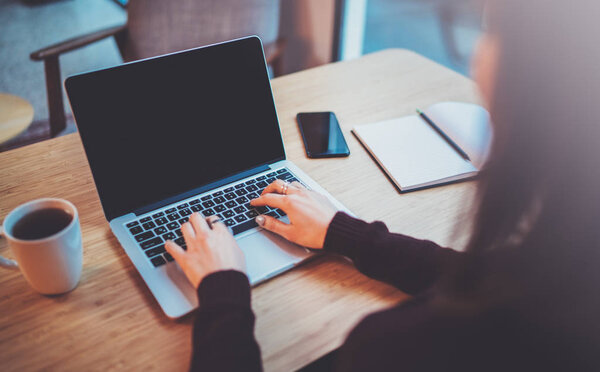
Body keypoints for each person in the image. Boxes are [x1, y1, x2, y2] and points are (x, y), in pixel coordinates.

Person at [165, 0, 600, 370]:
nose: (477, 53)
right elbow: (488, 277)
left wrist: (223, 292)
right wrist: (344, 231)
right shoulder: (569, 270)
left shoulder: (395, 348)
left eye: (492, 28)